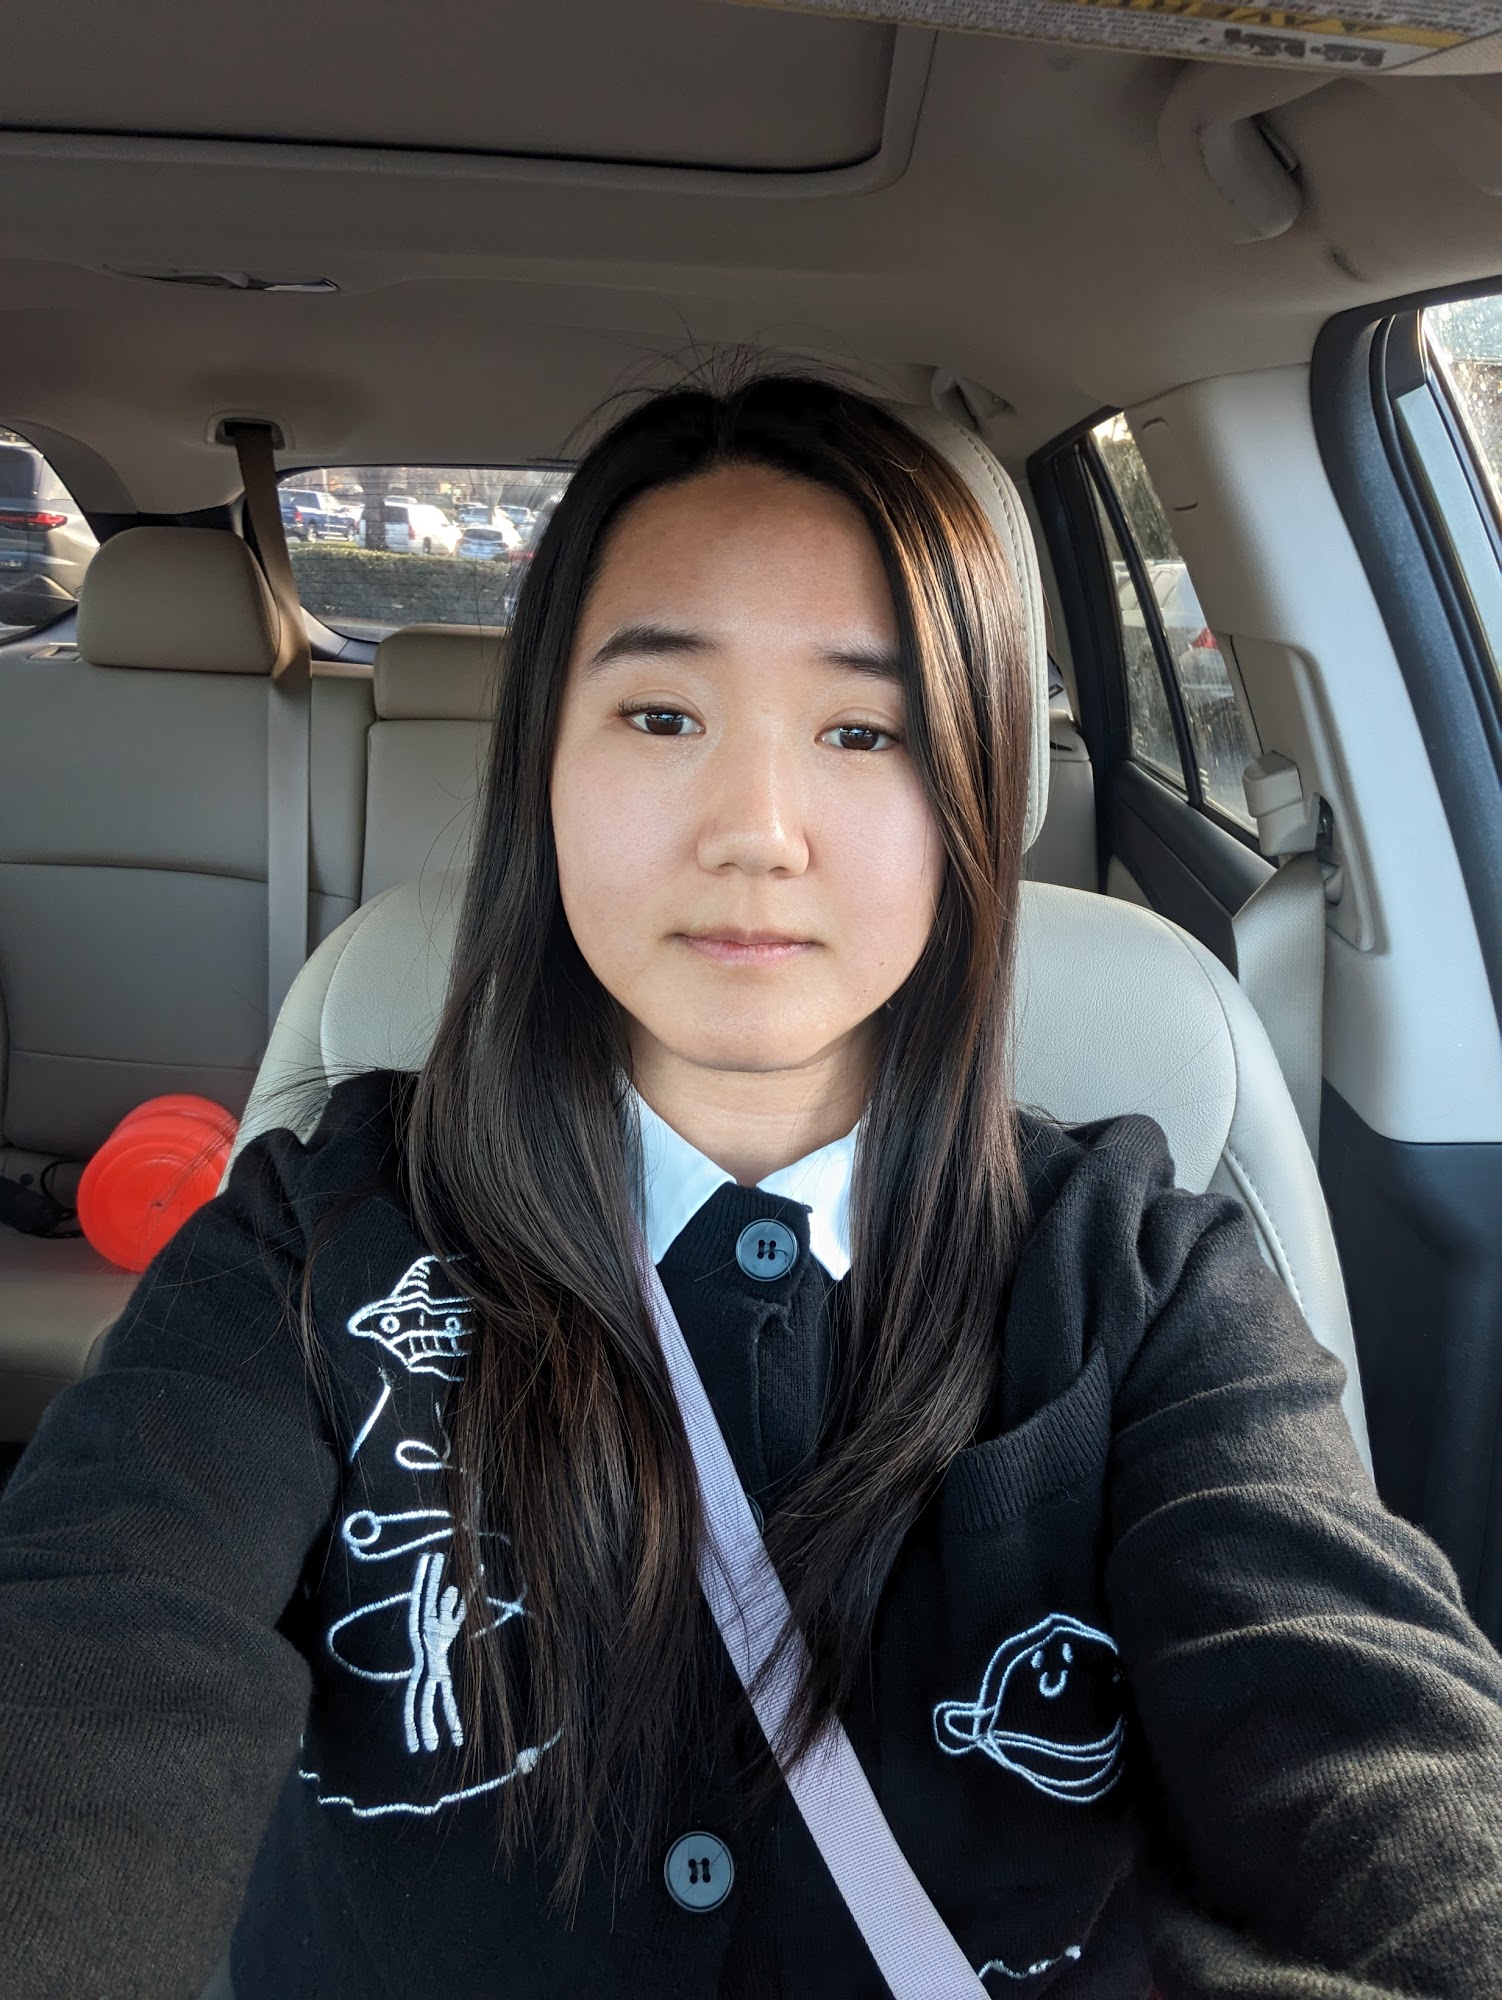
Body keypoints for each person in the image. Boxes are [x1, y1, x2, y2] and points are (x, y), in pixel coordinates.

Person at [0, 374, 1499, 2000]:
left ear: (974, 798)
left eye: (863, 733)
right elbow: (100, 1649)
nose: (757, 834)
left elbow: (1352, 1716)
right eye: (661, 717)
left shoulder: (1137, 1276)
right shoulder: (315, 1235)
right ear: (541, 766)